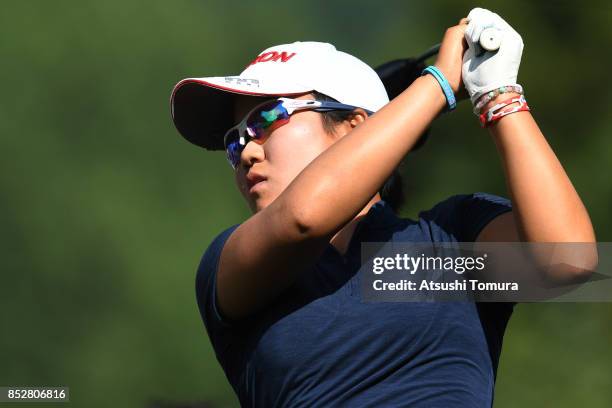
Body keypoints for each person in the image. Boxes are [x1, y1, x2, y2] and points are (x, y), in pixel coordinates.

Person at [170, 8, 596, 407]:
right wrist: (438, 84)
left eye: (266, 120)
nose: (246, 152)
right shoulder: (228, 266)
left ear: (355, 126)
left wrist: (498, 96)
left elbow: (569, 264)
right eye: (235, 140)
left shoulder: (449, 241)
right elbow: (303, 217)